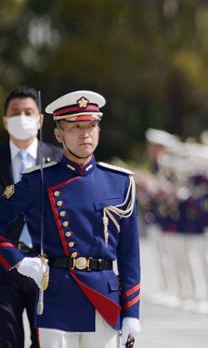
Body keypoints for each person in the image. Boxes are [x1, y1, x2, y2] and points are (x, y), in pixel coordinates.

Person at [0, 90, 140, 347]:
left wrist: (132, 311)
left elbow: (129, 253)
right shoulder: (38, 180)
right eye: (75, 126)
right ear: (58, 134)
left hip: (103, 299)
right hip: (57, 297)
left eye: (91, 125)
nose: (85, 133)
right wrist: (19, 262)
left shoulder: (120, 182)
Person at [0, 86, 62, 348]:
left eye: (28, 112)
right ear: (5, 121)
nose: (22, 118)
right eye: (15, 113)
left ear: (40, 120)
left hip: (47, 269)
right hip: (3, 268)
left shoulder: (59, 160)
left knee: (45, 341)